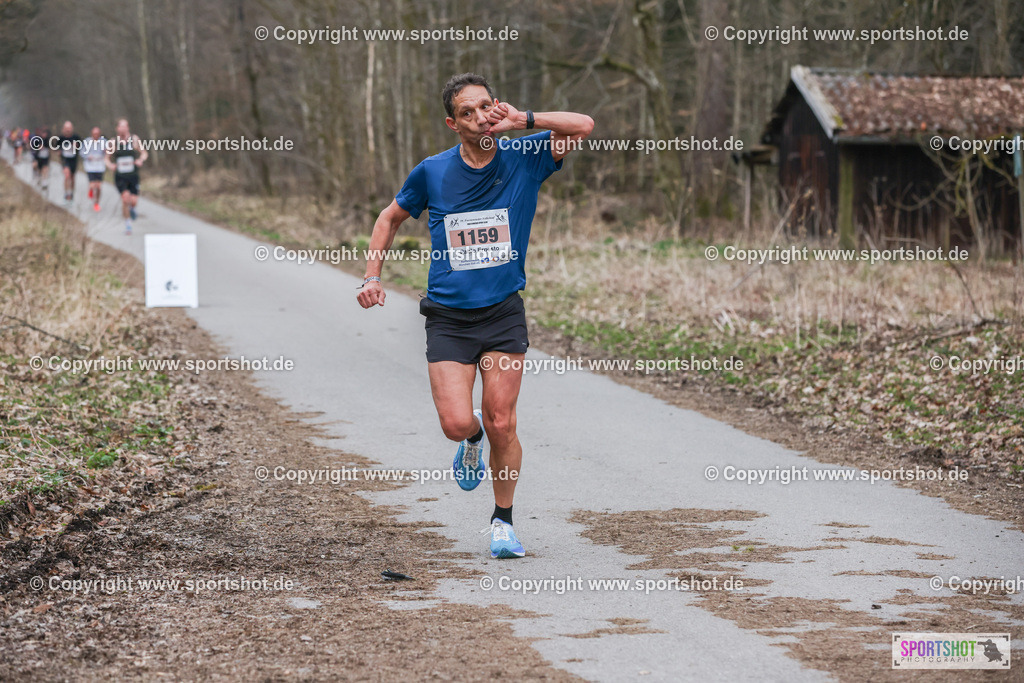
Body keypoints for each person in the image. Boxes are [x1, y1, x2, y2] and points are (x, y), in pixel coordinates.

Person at [356, 73, 593, 559]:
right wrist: (371, 277)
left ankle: (503, 522)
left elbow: (583, 125)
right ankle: (471, 439)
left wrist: (524, 119)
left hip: (503, 313)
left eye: (486, 106)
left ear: (496, 107)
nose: (480, 117)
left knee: (503, 421)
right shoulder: (432, 171)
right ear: (453, 123)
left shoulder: (525, 155)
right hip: (448, 317)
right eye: (467, 112)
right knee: (456, 422)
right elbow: (389, 218)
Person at [105, 118, 147, 234]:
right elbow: (106, 158)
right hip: (120, 176)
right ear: (117, 128)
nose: (123, 128)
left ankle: (132, 208)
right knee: (125, 198)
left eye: (125, 126)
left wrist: (140, 160)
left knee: (133, 201)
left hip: (133, 175)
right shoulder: (113, 142)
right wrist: (110, 165)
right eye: (121, 126)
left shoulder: (134, 139)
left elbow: (144, 153)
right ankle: (128, 225)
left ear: (128, 128)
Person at [80, 127, 107, 212]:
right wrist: (87, 156)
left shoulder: (104, 142)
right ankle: (91, 189)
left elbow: (109, 152)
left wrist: (106, 151)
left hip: (100, 166)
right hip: (90, 166)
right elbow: (81, 152)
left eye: (97, 134)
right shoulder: (87, 141)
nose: (96, 135)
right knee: (92, 185)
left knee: (98, 186)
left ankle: (96, 203)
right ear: (92, 134)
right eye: (94, 134)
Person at [57, 120, 82, 204]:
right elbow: (57, 148)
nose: (68, 130)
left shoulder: (76, 137)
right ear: (64, 129)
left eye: (69, 128)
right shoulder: (61, 138)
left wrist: (76, 146)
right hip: (65, 160)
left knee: (72, 177)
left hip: (73, 159)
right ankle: (66, 194)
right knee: (67, 176)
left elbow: (81, 148)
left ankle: (71, 193)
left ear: (72, 129)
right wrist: (59, 152)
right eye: (66, 128)